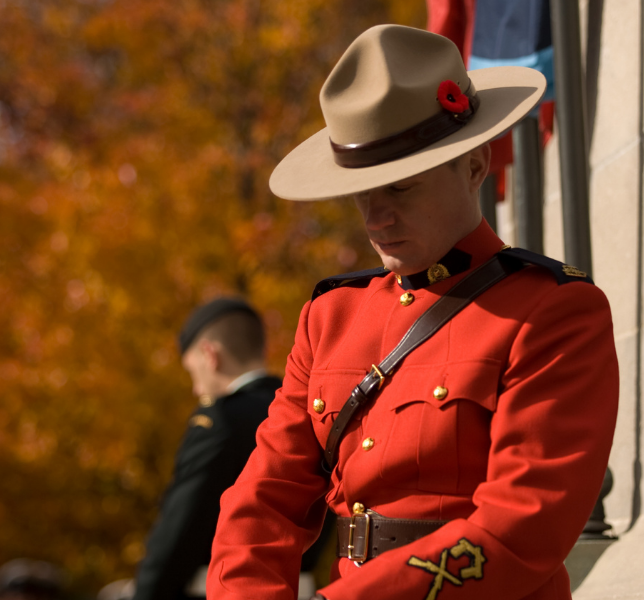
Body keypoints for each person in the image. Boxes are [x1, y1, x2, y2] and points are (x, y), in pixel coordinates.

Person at [206, 24, 619, 600]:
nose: (376, 219)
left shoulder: (553, 309)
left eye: (400, 189)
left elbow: (523, 527)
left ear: (475, 166)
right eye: (362, 194)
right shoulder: (329, 317)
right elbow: (263, 500)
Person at [132, 298, 284, 600]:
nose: (195, 389)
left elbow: (180, 531)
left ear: (210, 355)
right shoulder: (302, 413)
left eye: (192, 372)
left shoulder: (220, 421)